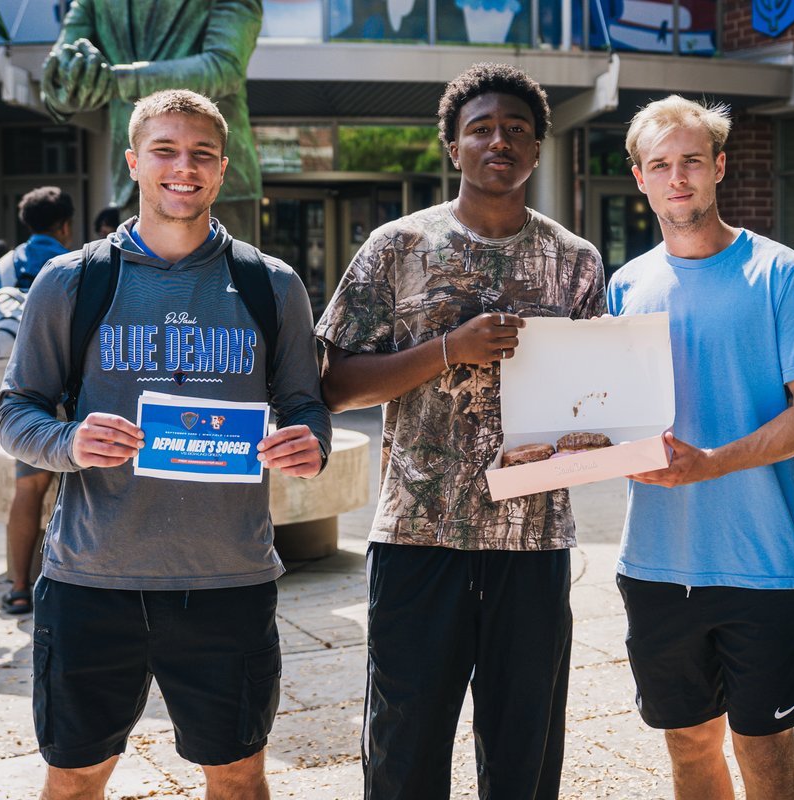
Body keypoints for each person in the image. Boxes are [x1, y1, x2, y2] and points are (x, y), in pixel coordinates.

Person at [0, 89, 330, 800]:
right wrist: (69, 441)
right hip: (93, 581)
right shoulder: (73, 280)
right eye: (166, 151)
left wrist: (311, 444)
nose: (185, 168)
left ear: (222, 168)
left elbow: (305, 402)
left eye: (202, 154)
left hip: (227, 581)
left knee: (238, 778)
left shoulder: (270, 284)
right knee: (76, 777)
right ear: (133, 163)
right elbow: (16, 411)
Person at [317, 63, 604, 799]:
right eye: (480, 128)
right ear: (453, 147)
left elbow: (599, 403)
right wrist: (451, 347)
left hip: (533, 541)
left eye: (516, 130)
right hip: (419, 537)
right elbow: (336, 383)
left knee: (525, 748)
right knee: (404, 744)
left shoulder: (576, 262)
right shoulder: (396, 248)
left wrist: (597, 434)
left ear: (538, 148)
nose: (498, 141)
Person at [606, 95, 794, 800]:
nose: (677, 178)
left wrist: (710, 464)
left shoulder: (782, 274)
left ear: (719, 169)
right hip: (653, 562)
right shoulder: (625, 286)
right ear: (640, 178)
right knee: (687, 749)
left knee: (767, 758)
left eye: (691, 162)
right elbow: (611, 419)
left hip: (759, 563)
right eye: (660, 166)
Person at [40, 0, 263, 242]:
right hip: (137, 185)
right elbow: (59, 73)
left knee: (227, 276)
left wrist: (118, 81)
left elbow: (224, 67)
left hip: (215, 188)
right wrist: (68, 85)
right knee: (140, 277)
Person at [0, 188, 75, 615]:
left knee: (29, 488)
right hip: (75, 392)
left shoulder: (2, 268)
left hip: (27, 396)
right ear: (66, 225)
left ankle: (20, 587)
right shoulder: (78, 266)